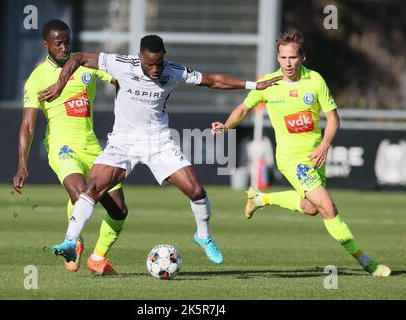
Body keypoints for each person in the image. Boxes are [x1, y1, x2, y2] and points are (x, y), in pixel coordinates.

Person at [38, 34, 282, 265]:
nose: (155, 69)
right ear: (140, 58)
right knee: (93, 188)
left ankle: (203, 236)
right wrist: (60, 85)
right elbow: (78, 57)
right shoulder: (121, 64)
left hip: (158, 142)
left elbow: (212, 81)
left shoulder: (174, 71)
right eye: (150, 64)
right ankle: (70, 241)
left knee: (196, 191)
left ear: (164, 56)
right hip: (123, 142)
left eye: (159, 63)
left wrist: (254, 85)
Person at [211, 30, 390, 277]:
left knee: (310, 207)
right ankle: (366, 261)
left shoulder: (315, 81)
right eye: (283, 57)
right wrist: (226, 125)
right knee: (328, 208)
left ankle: (261, 199)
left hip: (315, 156)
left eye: (292, 57)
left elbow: (333, 118)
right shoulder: (268, 83)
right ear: (278, 58)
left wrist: (325, 144)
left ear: (302, 57)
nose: (287, 63)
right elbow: (244, 109)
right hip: (290, 159)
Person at [13, 20, 128, 276]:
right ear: (46, 45)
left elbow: (119, 78)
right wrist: (22, 164)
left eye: (67, 42)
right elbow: (28, 126)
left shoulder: (85, 64)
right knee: (80, 196)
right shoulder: (37, 78)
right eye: (58, 44)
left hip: (93, 146)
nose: (64, 48)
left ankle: (98, 257)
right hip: (61, 146)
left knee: (119, 210)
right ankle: (74, 243)